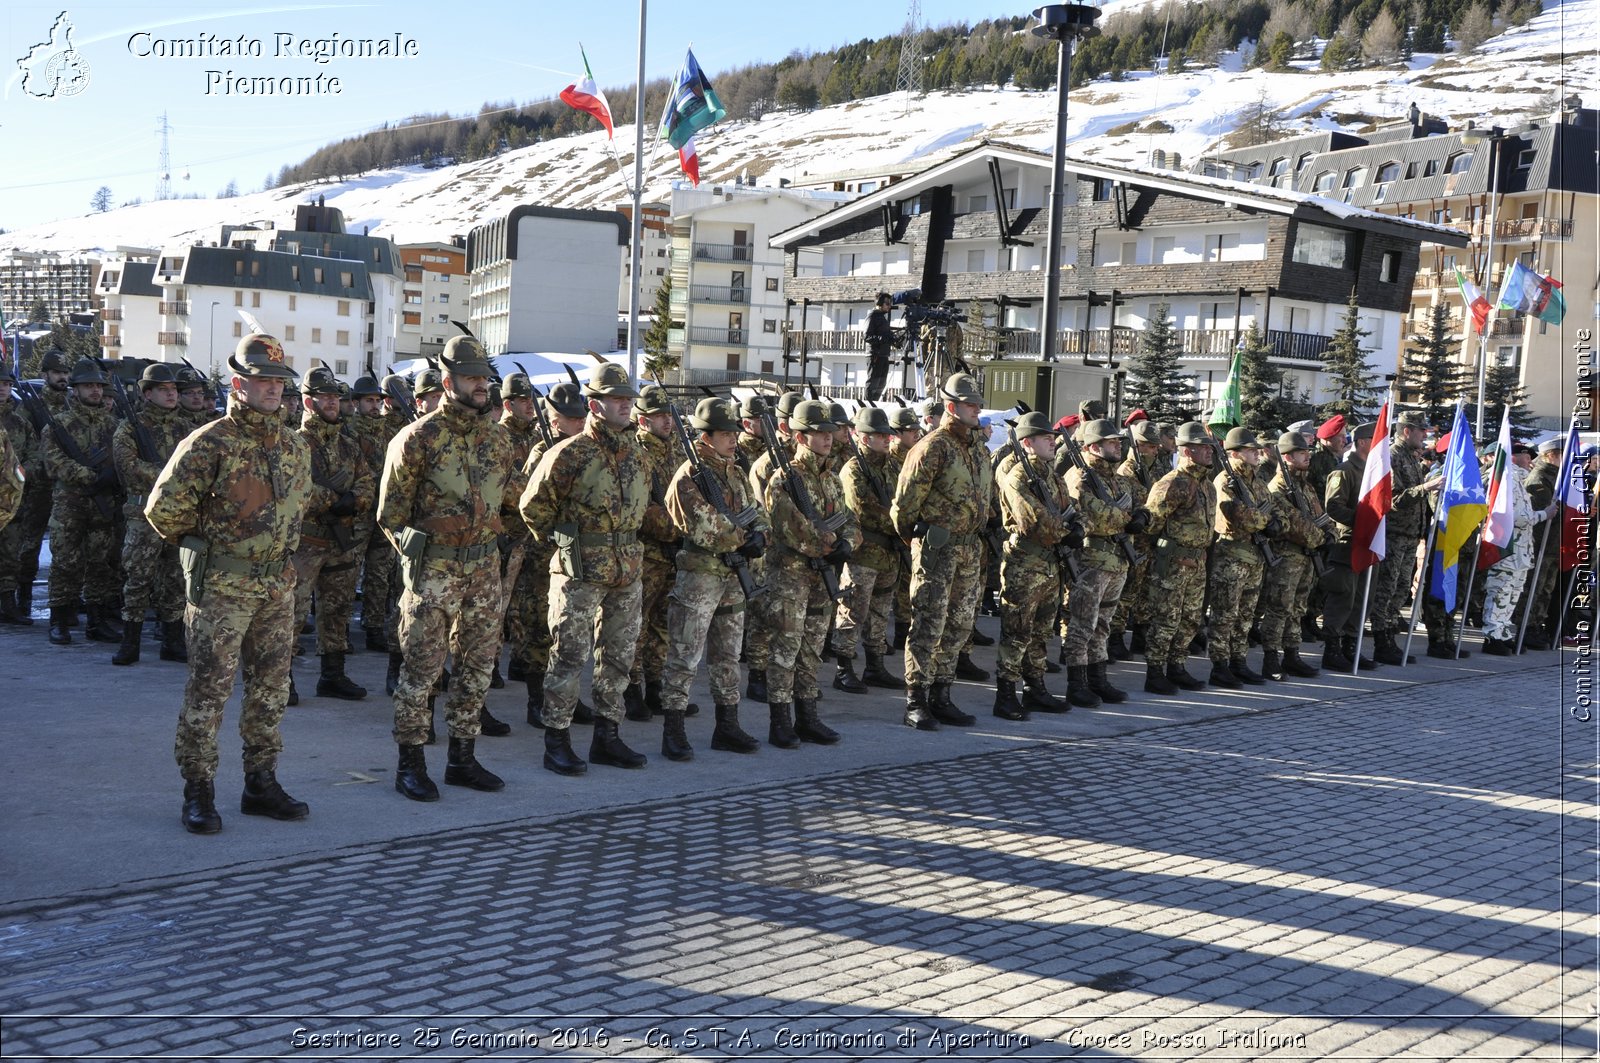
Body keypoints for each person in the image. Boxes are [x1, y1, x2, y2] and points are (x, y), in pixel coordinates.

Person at [144, 334, 313, 834]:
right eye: (262, 380)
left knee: (270, 689)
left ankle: (261, 783)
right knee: (210, 691)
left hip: (277, 585)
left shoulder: (295, 446)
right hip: (223, 587)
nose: (273, 390)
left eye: (279, 382)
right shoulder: (209, 442)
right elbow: (163, 512)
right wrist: (211, 551)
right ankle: (198, 790)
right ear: (238, 384)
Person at [379, 336, 516, 801]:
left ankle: (462, 757)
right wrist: (416, 560)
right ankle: (411, 763)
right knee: (421, 672)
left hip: (483, 571)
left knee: (478, 667)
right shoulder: (418, 438)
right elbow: (390, 515)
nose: (482, 385)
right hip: (433, 572)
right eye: (473, 377)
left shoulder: (499, 439)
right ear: (448, 381)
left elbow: (509, 499)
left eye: (485, 377)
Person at [521, 362, 651, 776]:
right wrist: (565, 545)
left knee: (618, 657)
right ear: (595, 405)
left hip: (627, 570)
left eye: (628, 399)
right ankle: (556, 739)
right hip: (578, 572)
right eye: (617, 399)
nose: (625, 405)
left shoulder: (638, 455)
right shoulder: (569, 453)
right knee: (568, 655)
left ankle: (607, 737)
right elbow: (533, 507)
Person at [662, 397, 771, 757]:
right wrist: (744, 537)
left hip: (731, 576)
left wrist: (761, 534)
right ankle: (673, 729)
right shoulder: (689, 477)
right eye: (725, 434)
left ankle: (727, 725)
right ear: (705, 437)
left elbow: (756, 511)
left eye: (734, 433)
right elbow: (703, 526)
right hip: (700, 577)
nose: (734, 439)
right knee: (685, 654)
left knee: (728, 654)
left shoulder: (735, 471)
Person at [892, 373, 992, 729]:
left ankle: (942, 694)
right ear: (952, 407)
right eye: (970, 404)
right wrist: (917, 541)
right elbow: (903, 506)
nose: (977, 409)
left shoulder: (978, 447)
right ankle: (915, 701)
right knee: (928, 624)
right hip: (938, 549)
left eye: (977, 403)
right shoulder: (933, 446)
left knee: (960, 625)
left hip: (969, 551)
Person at [763, 399, 857, 747]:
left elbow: (850, 519)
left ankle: (807, 716)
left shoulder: (832, 479)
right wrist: (832, 545)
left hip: (822, 578)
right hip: (791, 577)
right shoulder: (784, 480)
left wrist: (848, 541)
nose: (827, 438)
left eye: (830, 432)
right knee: (785, 650)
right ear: (800, 437)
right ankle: (780, 721)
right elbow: (793, 530)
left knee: (812, 649)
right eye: (818, 433)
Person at [289, 367, 375, 700]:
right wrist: (334, 500)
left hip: (341, 540)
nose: (331, 403)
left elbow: (367, 480)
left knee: (337, 609)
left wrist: (355, 499)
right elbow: (294, 489)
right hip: (305, 543)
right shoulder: (295, 444)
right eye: (324, 397)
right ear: (308, 401)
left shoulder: (348, 444)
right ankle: (283, 680)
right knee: (292, 613)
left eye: (335, 397)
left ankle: (333, 674)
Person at [993, 411, 1077, 719]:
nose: (1052, 443)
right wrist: (1067, 531)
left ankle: (1035, 687)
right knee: (1017, 630)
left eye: (1052, 438)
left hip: (1049, 562)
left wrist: (1073, 524)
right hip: (1025, 562)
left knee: (1042, 631)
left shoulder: (1052, 475)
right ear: (1027, 443)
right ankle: (1005, 694)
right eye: (1046, 438)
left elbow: (1069, 508)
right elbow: (1033, 521)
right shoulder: (1018, 476)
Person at [512, 381, 587, 727]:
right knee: (538, 627)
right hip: (542, 554)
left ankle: (568, 697)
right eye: (573, 418)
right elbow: (526, 502)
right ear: (556, 421)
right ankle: (534, 699)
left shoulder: (587, 450)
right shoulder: (543, 451)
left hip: (576, 556)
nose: (581, 421)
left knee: (570, 632)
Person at [110, 364, 192, 666]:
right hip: (143, 515)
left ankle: (172, 641)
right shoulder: (129, 427)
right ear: (147, 394)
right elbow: (128, 466)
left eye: (174, 390)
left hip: (178, 515)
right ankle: (130, 641)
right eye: (164, 390)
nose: (171, 394)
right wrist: (169, 476)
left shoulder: (187, 428)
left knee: (175, 578)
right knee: (138, 578)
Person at [41, 358, 123, 646]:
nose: (95, 391)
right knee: (65, 562)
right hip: (70, 503)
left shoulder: (115, 426)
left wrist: (111, 475)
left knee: (100, 563)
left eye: (99, 386)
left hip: (103, 504)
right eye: (88, 386)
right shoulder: (59, 425)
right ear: (74, 390)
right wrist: (87, 475)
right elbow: (53, 461)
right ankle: (59, 621)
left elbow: (124, 460)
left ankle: (97, 621)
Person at [1062, 418, 1142, 707]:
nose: (1118, 446)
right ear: (1094, 447)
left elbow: (1141, 504)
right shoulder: (1078, 477)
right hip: (1092, 560)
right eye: (1111, 442)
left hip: (1117, 560)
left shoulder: (1119, 479)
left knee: (1103, 624)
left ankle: (1098, 678)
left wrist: (1142, 516)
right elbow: (1094, 518)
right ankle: (1076, 683)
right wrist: (1125, 518)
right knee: (1083, 623)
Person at [831, 406, 904, 693]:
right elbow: (863, 509)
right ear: (862, 437)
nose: (886, 439)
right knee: (852, 610)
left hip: (888, 553)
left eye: (887, 434)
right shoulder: (853, 469)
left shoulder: (893, 466)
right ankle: (843, 668)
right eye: (878, 435)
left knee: (880, 612)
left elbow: (904, 499)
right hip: (864, 551)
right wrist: (899, 521)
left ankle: (875, 666)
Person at [1142, 422, 1217, 695]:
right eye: (1202, 447)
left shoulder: (1207, 485)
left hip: (1197, 562)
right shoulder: (1174, 482)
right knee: (1166, 618)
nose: (1209, 451)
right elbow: (1150, 522)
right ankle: (1155, 672)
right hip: (1173, 562)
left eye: (1209, 446)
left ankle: (1177, 666)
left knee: (1190, 619)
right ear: (1186, 451)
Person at [628, 384, 685, 723]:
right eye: (660, 416)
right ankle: (631, 689)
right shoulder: (637, 453)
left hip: (673, 554)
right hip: (647, 553)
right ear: (644, 419)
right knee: (636, 624)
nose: (668, 421)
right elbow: (641, 506)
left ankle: (655, 684)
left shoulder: (677, 452)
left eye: (669, 415)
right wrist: (677, 526)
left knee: (663, 623)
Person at [1205, 428, 1276, 688]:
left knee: (1245, 615)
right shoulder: (1225, 480)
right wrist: (1265, 520)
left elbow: (1271, 508)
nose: (1257, 453)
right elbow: (1237, 515)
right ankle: (1219, 666)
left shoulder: (1256, 482)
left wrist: (1269, 520)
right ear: (1234, 453)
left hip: (1254, 557)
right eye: (1249, 450)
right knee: (1225, 614)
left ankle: (1239, 661)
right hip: (1232, 556)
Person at [1368, 412, 1440, 665]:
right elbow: (1393, 500)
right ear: (1407, 431)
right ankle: (1380, 641)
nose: (1425, 437)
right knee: (1386, 590)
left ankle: (1389, 637)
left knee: (1400, 591)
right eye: (1421, 431)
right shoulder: (1393, 456)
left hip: (1410, 536)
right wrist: (1426, 488)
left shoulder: (1411, 457)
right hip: (1394, 535)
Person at [1259, 431, 1329, 680]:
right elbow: (1294, 524)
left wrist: (1328, 532)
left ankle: (1292, 654)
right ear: (1287, 457)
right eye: (1302, 453)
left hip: (1307, 557)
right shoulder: (1276, 488)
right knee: (1279, 608)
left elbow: (1319, 516)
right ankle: (1270, 658)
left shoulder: (1305, 485)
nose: (1307, 456)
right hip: (1287, 556)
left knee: (1298, 608)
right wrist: (1320, 537)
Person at [1482, 441, 1557, 654]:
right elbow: (1515, 517)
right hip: (1506, 548)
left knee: (1512, 593)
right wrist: (1544, 514)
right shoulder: (1507, 479)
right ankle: (1491, 636)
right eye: (1526, 456)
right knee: (1500, 591)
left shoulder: (1519, 479)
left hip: (1521, 550)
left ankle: (1503, 632)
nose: (1530, 460)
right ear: (1514, 456)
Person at [1321, 420, 1380, 672]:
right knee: (1343, 598)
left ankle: (1350, 647)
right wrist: (1362, 520)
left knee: (1361, 599)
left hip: (1369, 543)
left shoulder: (1375, 472)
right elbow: (1332, 507)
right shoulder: (1345, 471)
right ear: (1364, 442)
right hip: (1347, 543)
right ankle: (1332, 649)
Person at [1110, 419, 1162, 658]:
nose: (1156, 449)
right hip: (1133, 541)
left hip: (1151, 540)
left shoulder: (1153, 469)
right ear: (1138, 445)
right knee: (1127, 591)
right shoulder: (1127, 471)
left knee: (1146, 591)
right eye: (1151, 446)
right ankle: (1116, 636)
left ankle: (1140, 634)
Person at [0, 364, 43, 624]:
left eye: (6, 384)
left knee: (10, 552)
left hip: (11, 502)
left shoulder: (19, 423)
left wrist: (17, 479)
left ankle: (7, 603)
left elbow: (35, 456)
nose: (2, 389)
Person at [1517, 436, 1564, 650]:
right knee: (1533, 588)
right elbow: (1542, 511)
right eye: (1563, 454)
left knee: (1545, 589)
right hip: (1540, 543)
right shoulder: (1540, 478)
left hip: (1554, 544)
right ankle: (1525, 626)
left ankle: (1536, 625)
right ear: (1550, 455)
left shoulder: (1561, 477)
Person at [865, 292, 894, 402]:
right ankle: (868, 404)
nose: (889, 306)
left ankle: (875, 402)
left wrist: (892, 339)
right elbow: (867, 336)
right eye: (887, 303)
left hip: (884, 354)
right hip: (875, 354)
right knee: (873, 381)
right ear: (880, 303)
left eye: (890, 303)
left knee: (882, 382)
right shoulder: (872, 316)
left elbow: (885, 335)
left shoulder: (883, 318)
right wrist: (882, 339)